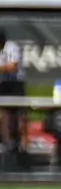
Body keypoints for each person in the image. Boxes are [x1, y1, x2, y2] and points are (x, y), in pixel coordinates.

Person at [0, 27, 22, 164]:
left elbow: (13, 67)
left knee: (9, 115)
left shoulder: (11, 47)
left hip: (14, 85)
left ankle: (11, 144)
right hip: (1, 85)